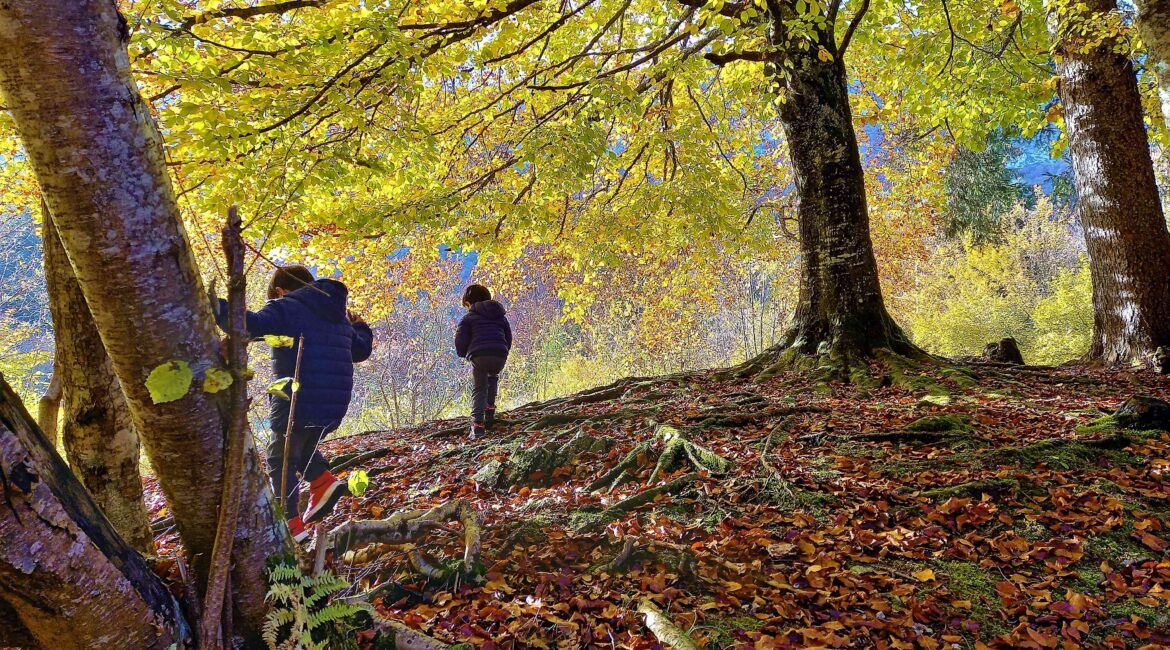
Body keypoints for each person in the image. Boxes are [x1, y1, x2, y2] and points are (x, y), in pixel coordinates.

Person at [213, 265, 373, 542]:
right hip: (333, 404)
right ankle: (322, 481)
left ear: (279, 290)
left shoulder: (286, 306)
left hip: (297, 397)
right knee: (302, 445)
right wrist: (360, 325)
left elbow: (249, 324)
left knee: (280, 455)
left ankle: (291, 526)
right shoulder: (337, 315)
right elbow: (360, 350)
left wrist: (214, 305)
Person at [454, 284, 512, 437]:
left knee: (480, 388)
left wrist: (462, 353)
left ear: (470, 303)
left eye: (467, 305)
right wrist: (503, 351)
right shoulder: (500, 315)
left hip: (480, 354)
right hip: (499, 353)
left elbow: (461, 339)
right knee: (492, 378)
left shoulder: (469, 317)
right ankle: (490, 412)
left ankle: (478, 425)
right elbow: (508, 336)